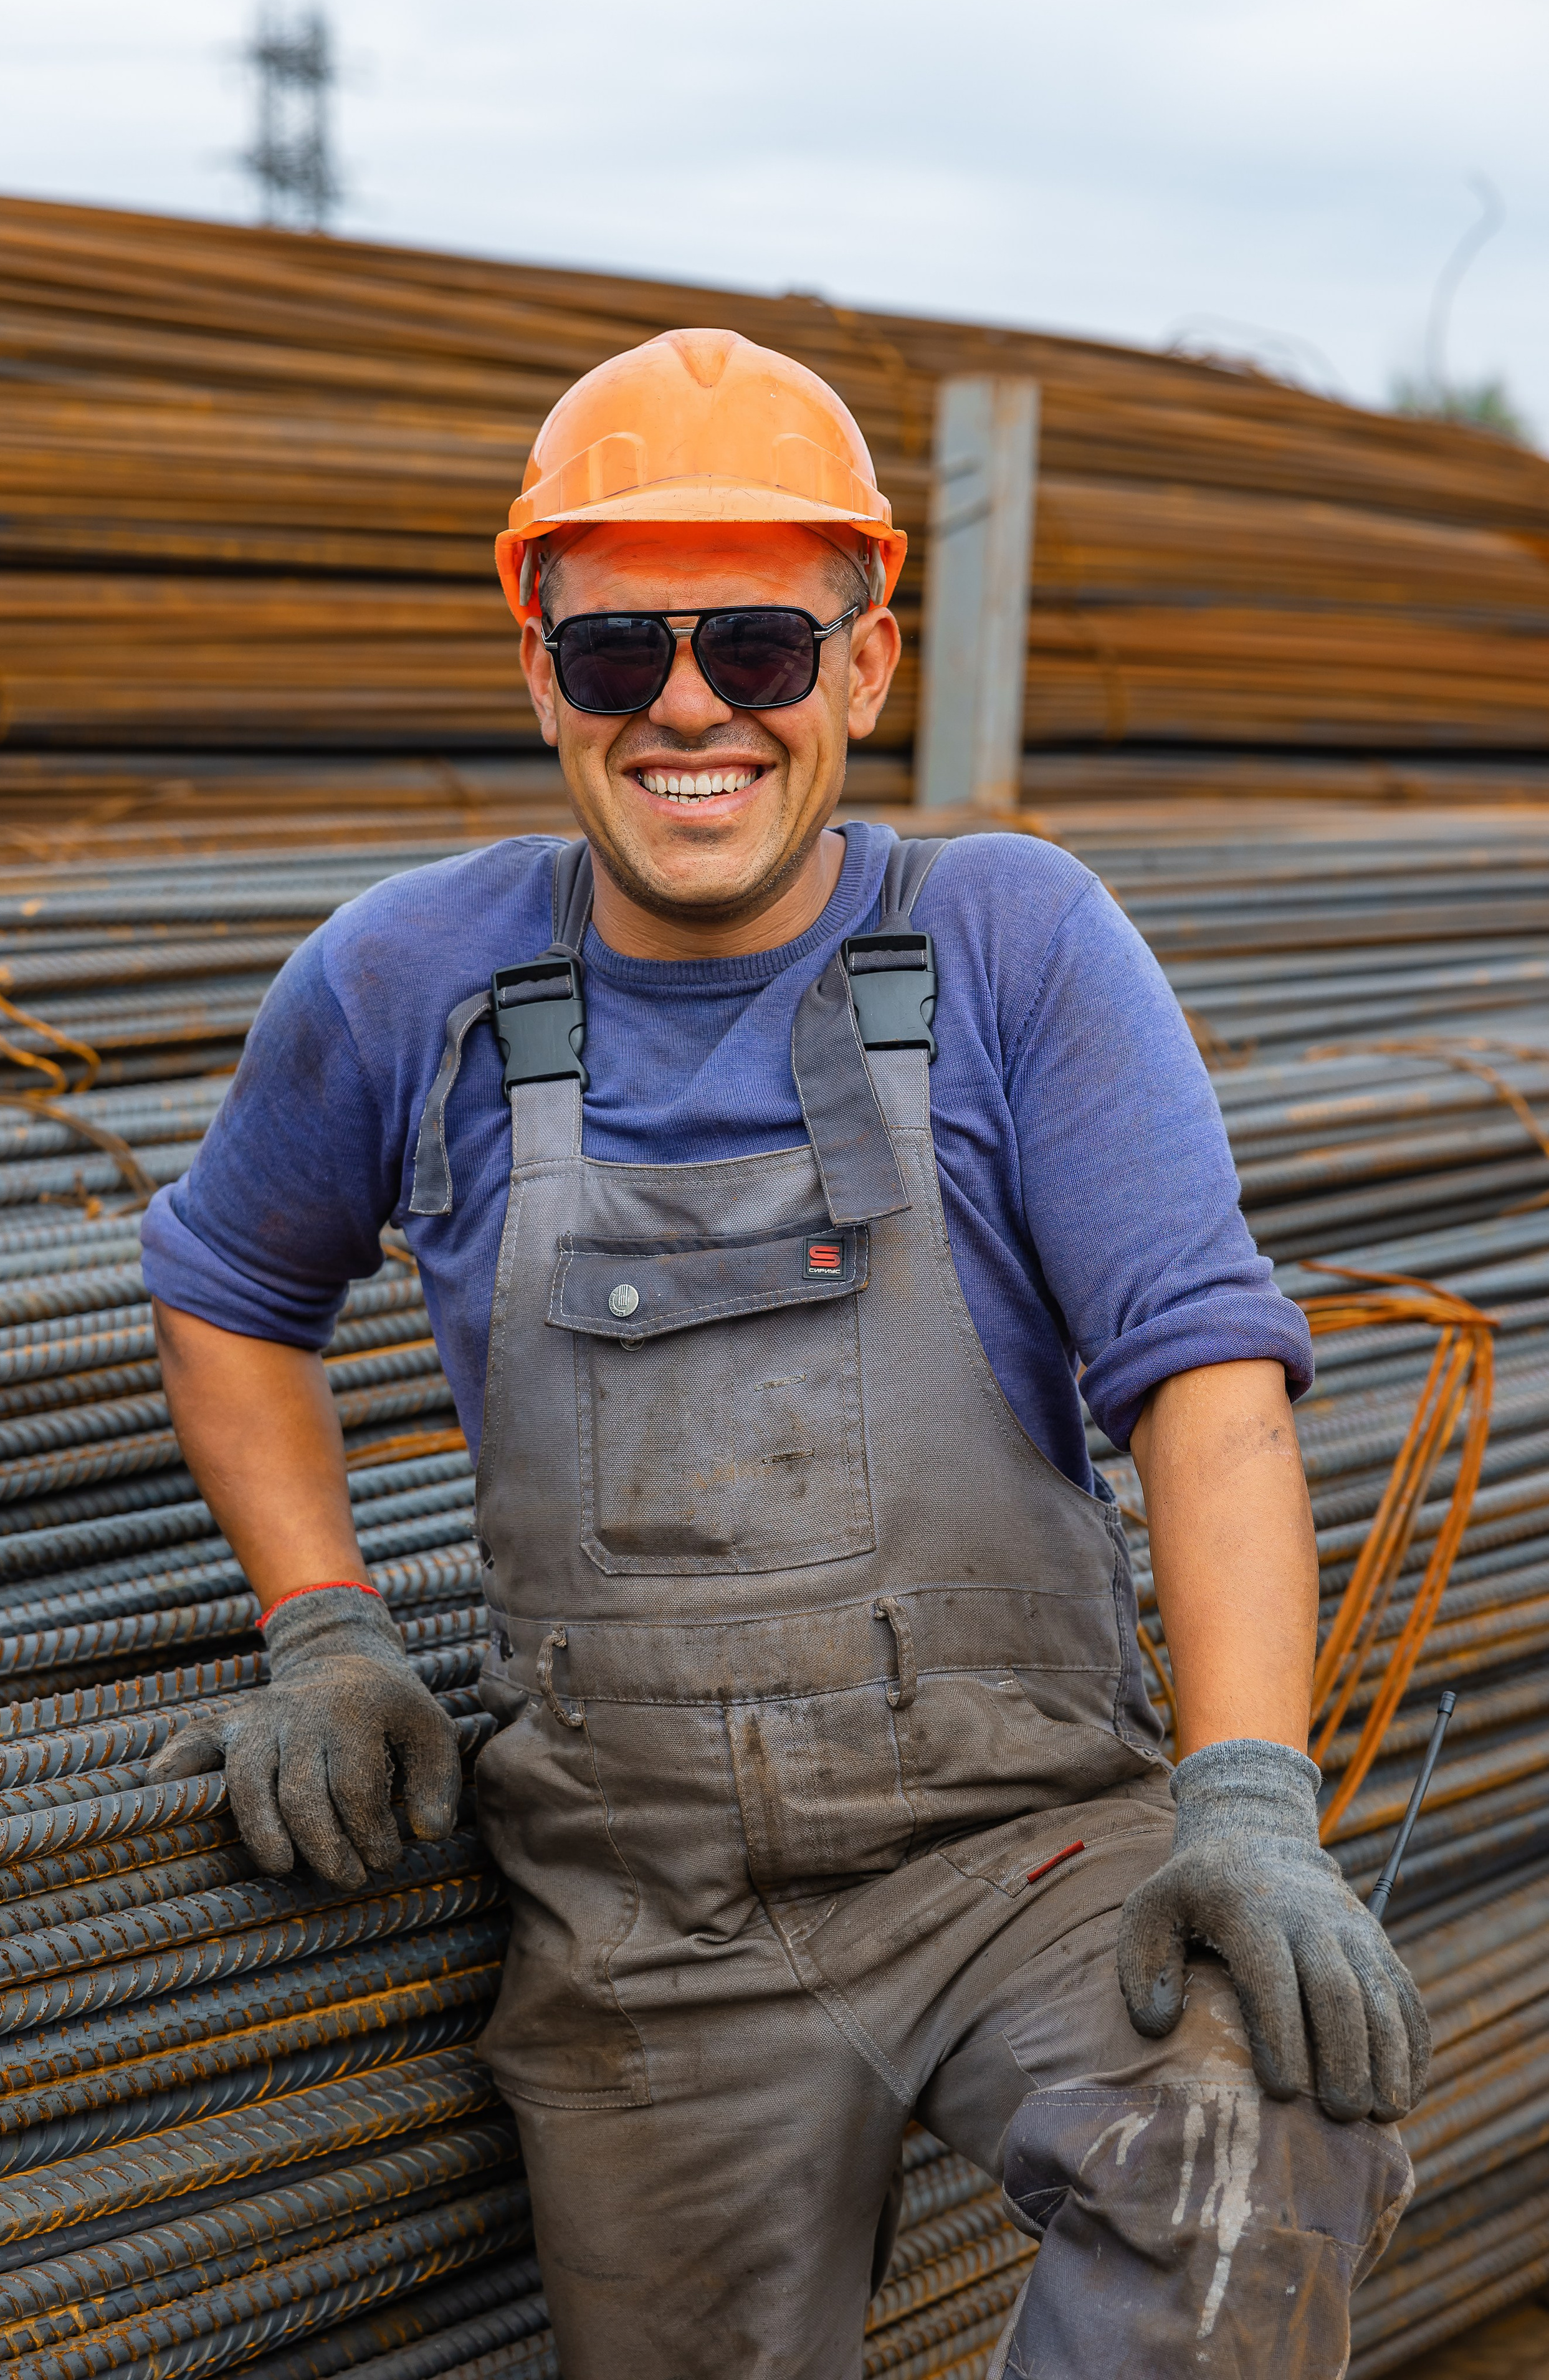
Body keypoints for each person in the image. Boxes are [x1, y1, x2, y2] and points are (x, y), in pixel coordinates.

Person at [145, 327, 1424, 2379]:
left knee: (1251, 2117)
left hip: (1021, 1845)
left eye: (756, 645)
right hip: (641, 1911)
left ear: (865, 665)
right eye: (616, 652)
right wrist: (327, 1629)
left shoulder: (1010, 947)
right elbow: (226, 1289)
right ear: (539, 670)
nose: (688, 709)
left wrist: (1251, 1805)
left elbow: (1205, 1381)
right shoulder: (409, 984)